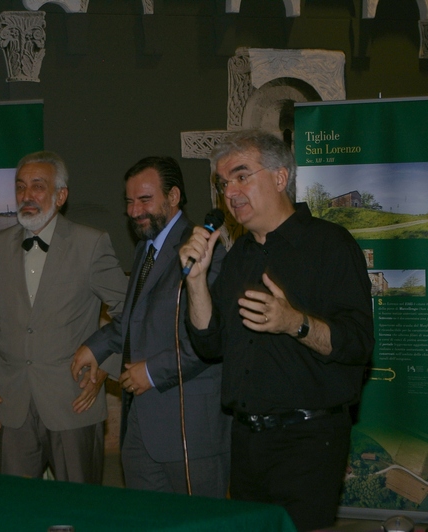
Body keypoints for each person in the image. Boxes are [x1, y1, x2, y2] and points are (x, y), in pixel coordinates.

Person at [179, 130, 373, 531]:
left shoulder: (331, 245)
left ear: (280, 177)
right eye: (222, 182)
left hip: (308, 440)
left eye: (241, 176)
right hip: (247, 441)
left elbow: (357, 343)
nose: (229, 191)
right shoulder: (238, 258)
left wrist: (293, 322)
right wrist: (196, 281)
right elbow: (210, 344)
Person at [71, 156, 230, 495]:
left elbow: (212, 340)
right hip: (139, 430)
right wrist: (96, 346)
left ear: (173, 197)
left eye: (144, 199)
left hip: (191, 433)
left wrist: (153, 372)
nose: (133, 211)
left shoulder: (205, 250)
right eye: (129, 201)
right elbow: (134, 319)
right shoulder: (146, 249)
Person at [0, 151, 127, 484]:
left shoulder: (90, 243)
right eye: (21, 187)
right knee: (17, 513)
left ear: (61, 195)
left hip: (74, 401)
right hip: (11, 406)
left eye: (38, 187)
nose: (27, 196)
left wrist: (105, 367)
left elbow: (129, 310)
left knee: (79, 509)